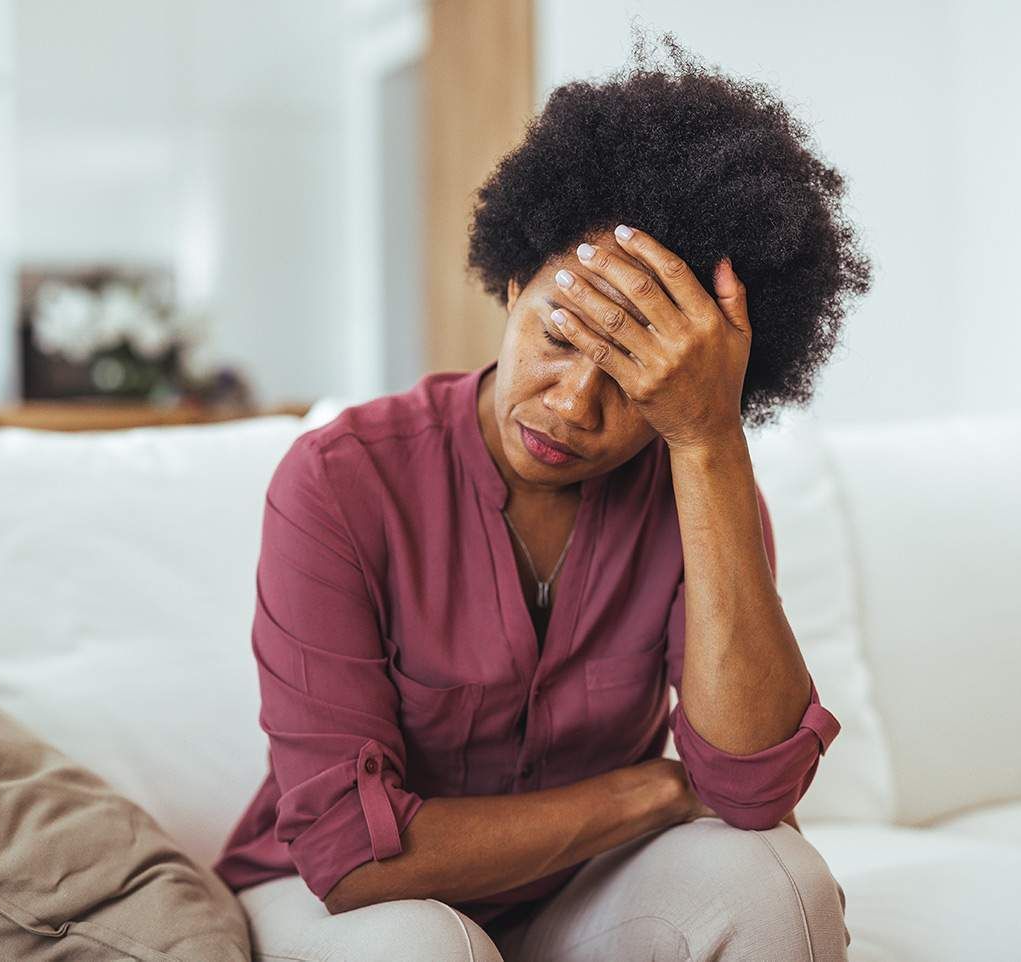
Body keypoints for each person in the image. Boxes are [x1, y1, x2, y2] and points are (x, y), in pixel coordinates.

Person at [212, 30, 872, 962]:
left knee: (778, 887)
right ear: (515, 281)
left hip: (579, 888)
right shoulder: (341, 479)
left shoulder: (700, 477)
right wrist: (649, 791)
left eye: (637, 376)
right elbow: (352, 855)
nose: (571, 406)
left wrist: (709, 439)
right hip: (334, 902)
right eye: (559, 335)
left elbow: (754, 792)